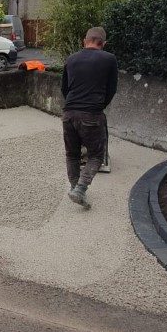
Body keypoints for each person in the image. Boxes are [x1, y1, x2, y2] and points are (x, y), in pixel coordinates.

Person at [61, 26, 118, 209]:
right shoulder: (109, 59)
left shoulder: (71, 59)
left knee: (72, 154)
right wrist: (99, 106)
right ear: (104, 43)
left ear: (84, 41)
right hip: (92, 114)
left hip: (68, 113)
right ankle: (80, 189)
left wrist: (73, 105)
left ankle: (74, 188)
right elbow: (111, 89)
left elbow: (64, 88)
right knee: (96, 155)